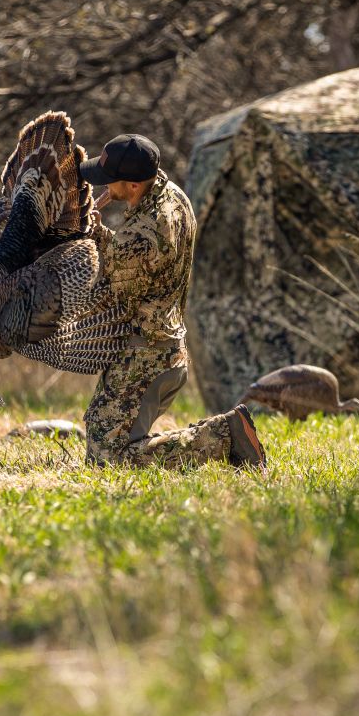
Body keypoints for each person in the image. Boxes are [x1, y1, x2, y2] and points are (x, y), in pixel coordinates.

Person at [78, 133, 266, 469]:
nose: (105, 188)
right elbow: (138, 262)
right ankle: (225, 434)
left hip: (145, 357)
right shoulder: (173, 195)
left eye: (111, 182)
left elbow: (114, 294)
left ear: (134, 185)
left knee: (109, 460)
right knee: (101, 435)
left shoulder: (140, 235)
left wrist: (89, 237)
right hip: (166, 348)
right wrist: (105, 237)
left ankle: (225, 434)